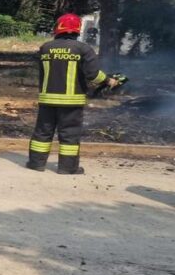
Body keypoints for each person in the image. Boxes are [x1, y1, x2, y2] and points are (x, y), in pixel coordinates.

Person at [27, 13, 117, 175]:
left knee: (42, 132)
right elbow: (93, 75)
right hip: (71, 102)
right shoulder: (83, 49)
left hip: (48, 99)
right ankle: (67, 168)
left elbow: (42, 73)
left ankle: (36, 164)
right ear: (77, 30)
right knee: (69, 134)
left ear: (58, 28)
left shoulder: (45, 48)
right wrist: (108, 80)